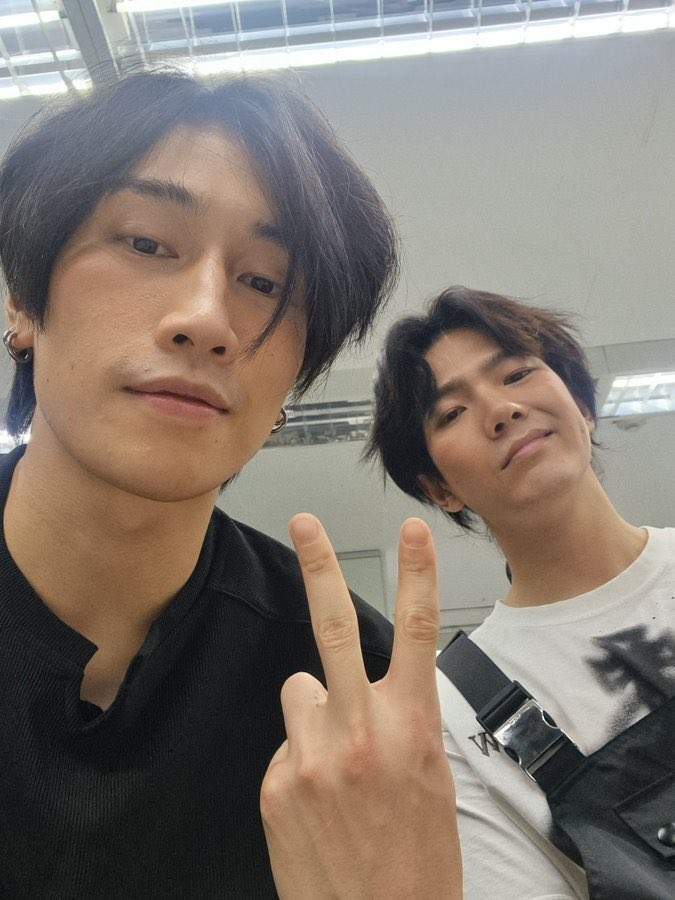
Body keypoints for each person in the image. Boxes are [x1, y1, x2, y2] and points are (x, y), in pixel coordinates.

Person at [0, 67, 415, 896]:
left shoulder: (347, 684)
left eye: (264, 283)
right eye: (145, 243)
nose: (206, 320)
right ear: (22, 301)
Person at [362, 286, 674, 898]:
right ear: (440, 489)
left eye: (516, 373)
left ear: (582, 406)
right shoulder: (457, 709)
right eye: (452, 412)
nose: (501, 409)